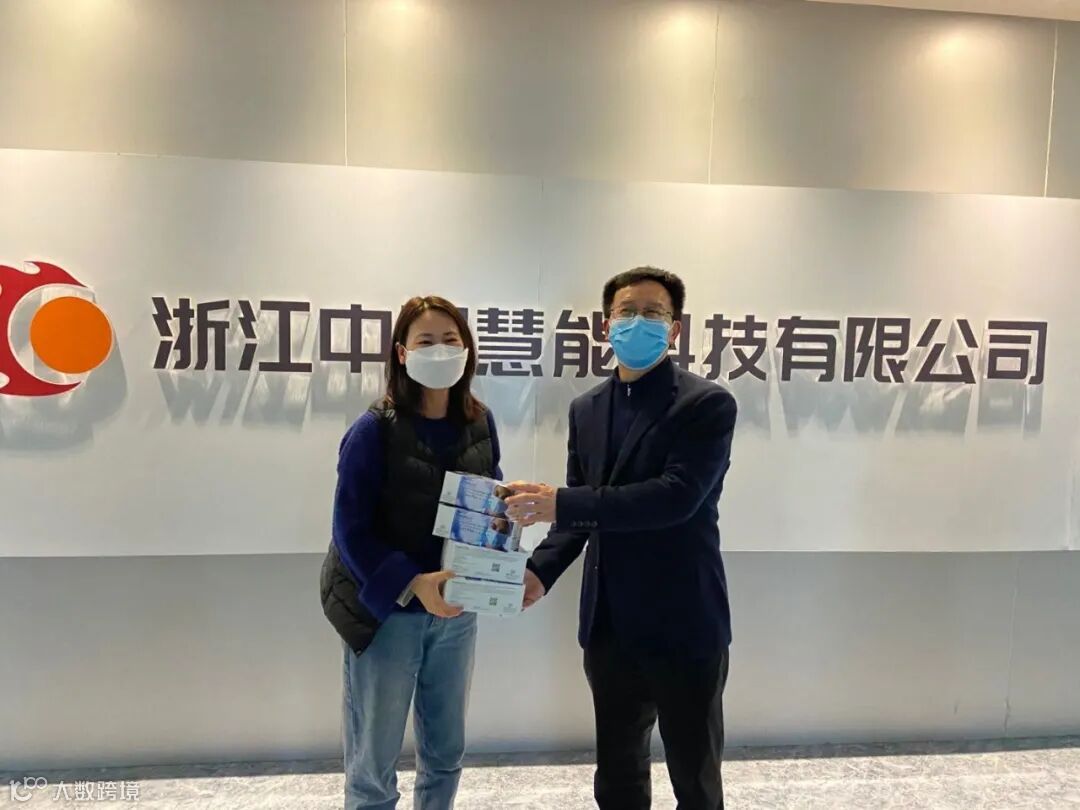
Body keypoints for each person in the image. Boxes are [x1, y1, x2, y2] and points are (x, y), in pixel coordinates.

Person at [506, 267, 738, 810]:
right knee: (617, 774)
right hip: (609, 626)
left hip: (685, 623)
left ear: (674, 329)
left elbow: (675, 497)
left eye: (653, 313)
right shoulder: (586, 409)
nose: (638, 322)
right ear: (605, 324)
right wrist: (539, 572)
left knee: (695, 776)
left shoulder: (706, 404)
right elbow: (581, 511)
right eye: (626, 312)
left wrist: (562, 502)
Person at [320, 295, 502, 810]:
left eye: (450, 339)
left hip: (455, 610)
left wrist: (505, 516)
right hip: (388, 612)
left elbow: (486, 494)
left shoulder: (480, 421)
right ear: (402, 353)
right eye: (425, 341)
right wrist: (412, 582)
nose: (440, 350)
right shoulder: (374, 429)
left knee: (445, 752)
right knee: (373, 766)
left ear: (467, 350)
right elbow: (349, 529)